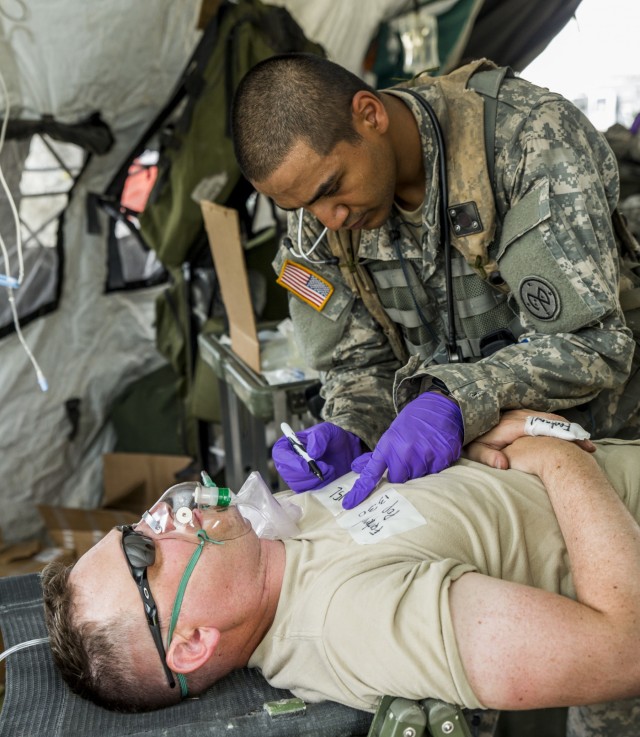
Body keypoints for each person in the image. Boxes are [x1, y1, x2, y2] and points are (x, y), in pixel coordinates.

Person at [41, 410, 640, 737]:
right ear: (192, 642)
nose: (163, 515)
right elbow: (624, 650)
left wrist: (370, 443)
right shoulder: (351, 623)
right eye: (145, 552)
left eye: (131, 527)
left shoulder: (266, 543)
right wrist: (552, 456)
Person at [230, 53, 640, 510]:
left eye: (330, 189)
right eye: (302, 206)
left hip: (607, 453)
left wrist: (456, 400)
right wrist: (352, 427)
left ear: (370, 114)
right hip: (475, 473)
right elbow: (359, 367)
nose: (331, 219)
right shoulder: (320, 224)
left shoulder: (528, 139)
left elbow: (594, 343)